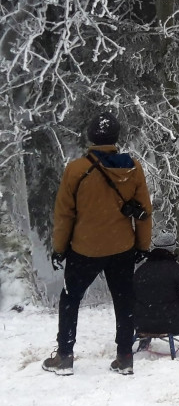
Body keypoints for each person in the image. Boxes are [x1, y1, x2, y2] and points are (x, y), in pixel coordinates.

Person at [43, 111, 153, 376]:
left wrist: (59, 249)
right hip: (122, 248)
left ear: (91, 136)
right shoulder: (133, 167)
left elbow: (64, 214)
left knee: (70, 299)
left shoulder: (77, 169)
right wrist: (142, 246)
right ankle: (125, 357)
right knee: (124, 302)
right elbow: (143, 211)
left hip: (84, 249)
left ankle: (65, 356)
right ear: (116, 137)